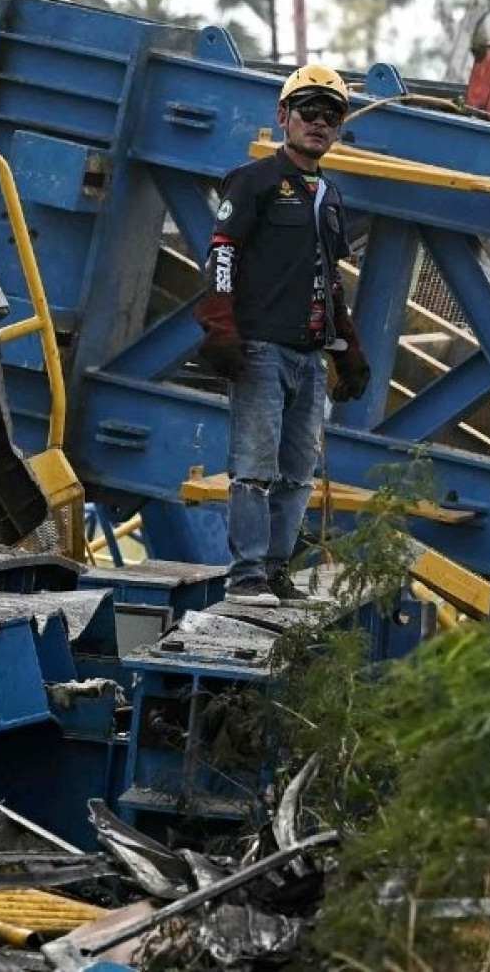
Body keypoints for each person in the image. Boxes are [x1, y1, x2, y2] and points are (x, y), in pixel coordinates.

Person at [193, 65, 370, 598]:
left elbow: (329, 279)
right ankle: (247, 576)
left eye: (331, 115)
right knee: (254, 467)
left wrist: (348, 348)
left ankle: (274, 572)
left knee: (298, 473)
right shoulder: (252, 182)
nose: (319, 123)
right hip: (261, 351)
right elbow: (222, 254)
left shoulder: (329, 195)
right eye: (308, 111)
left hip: (309, 358)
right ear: (283, 117)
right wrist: (220, 327)